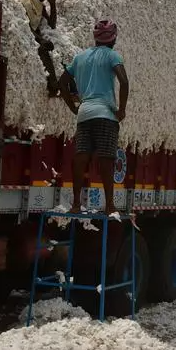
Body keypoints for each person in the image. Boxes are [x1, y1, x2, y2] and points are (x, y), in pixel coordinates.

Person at [58, 20, 129, 217]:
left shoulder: (80, 58)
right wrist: (121, 110)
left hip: (84, 114)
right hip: (105, 114)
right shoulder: (112, 55)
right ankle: (110, 206)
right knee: (106, 159)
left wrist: (73, 107)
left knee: (81, 158)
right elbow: (124, 81)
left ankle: (75, 204)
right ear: (113, 39)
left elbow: (62, 83)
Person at [18, 0, 58, 96]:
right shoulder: (24, 0)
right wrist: (40, 40)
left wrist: (53, 4)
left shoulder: (39, 5)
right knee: (42, 50)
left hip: (33, 35)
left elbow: (52, 24)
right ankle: (53, 86)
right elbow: (23, 24)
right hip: (22, 34)